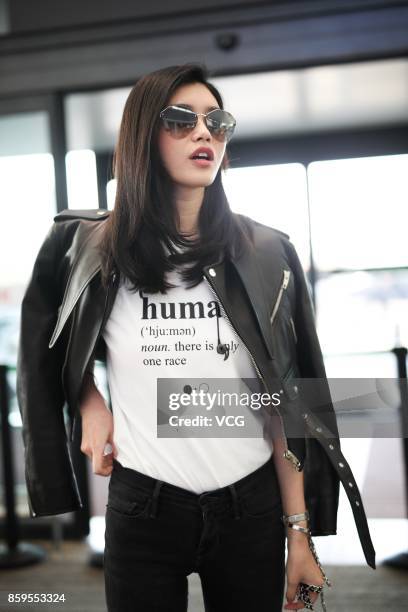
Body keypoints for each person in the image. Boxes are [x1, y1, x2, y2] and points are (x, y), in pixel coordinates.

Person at [17, 63, 376, 612]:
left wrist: (298, 535)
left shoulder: (267, 252)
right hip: (143, 506)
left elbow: (287, 400)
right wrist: (89, 401)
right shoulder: (90, 246)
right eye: (180, 119)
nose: (203, 132)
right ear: (142, 135)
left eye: (217, 121)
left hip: (250, 508)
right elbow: (49, 349)